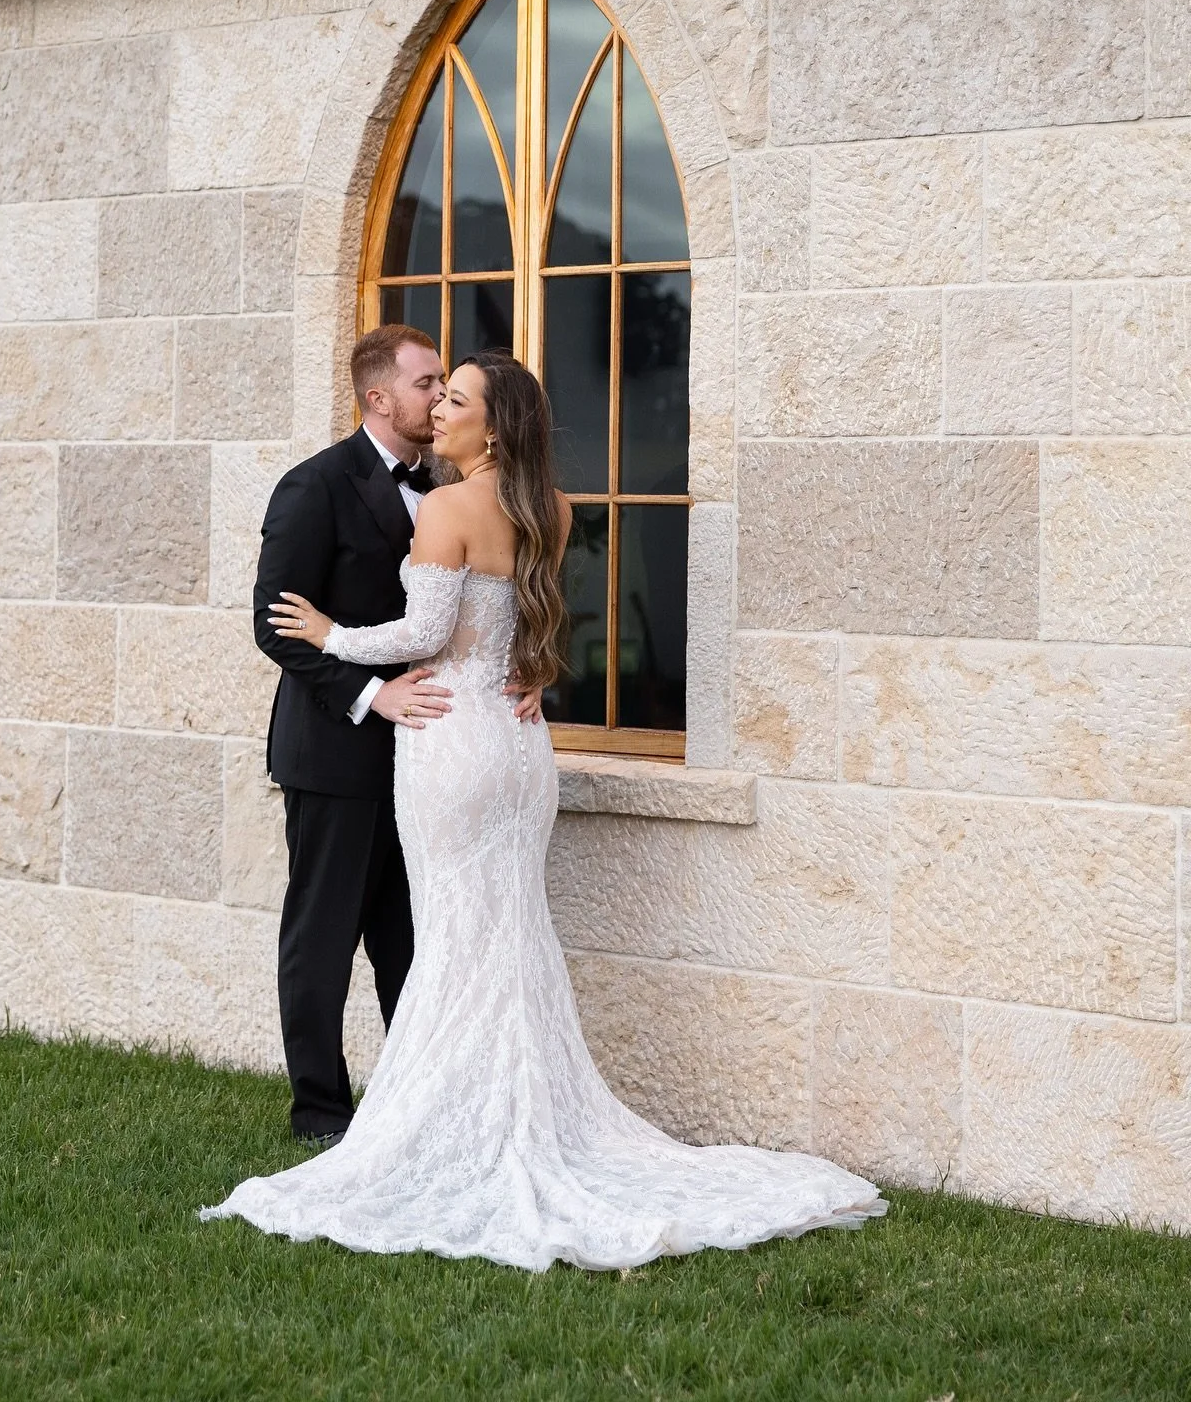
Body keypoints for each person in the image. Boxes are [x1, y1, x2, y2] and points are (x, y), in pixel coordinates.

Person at [205, 351, 886, 1270]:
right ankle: (450, 1109)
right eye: (431, 391)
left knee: (449, 937)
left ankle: (446, 1125)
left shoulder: (448, 506)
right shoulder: (549, 510)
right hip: (519, 748)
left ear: (494, 425)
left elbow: (423, 635)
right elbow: (537, 630)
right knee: (501, 937)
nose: (439, 406)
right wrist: (531, 675)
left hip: (451, 742)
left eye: (455, 398)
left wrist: (332, 635)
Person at [251, 324, 451, 1146]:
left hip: (428, 760)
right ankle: (321, 1114)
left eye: (444, 384)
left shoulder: (449, 484)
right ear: (378, 397)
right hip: (336, 754)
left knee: (410, 940)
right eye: (426, 383)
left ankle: (412, 1103)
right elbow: (277, 627)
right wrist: (374, 696)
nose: (439, 396)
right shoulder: (314, 488)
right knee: (323, 940)